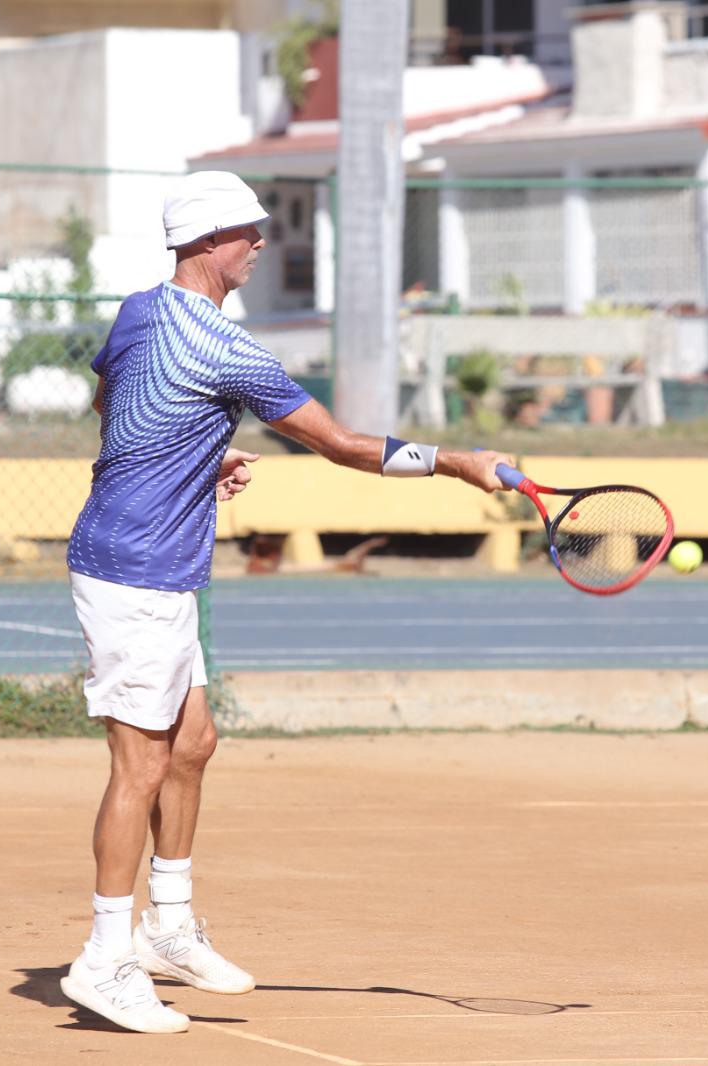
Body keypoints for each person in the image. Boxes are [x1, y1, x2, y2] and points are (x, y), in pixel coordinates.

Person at [60, 170, 508, 1034]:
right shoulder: (225, 349)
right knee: (139, 766)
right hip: (134, 569)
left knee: (193, 744)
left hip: (149, 562)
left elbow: (112, 401)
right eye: (247, 230)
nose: (261, 242)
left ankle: (169, 926)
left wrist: (197, 453)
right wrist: (459, 463)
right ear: (205, 241)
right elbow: (340, 444)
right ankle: (105, 957)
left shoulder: (140, 312)